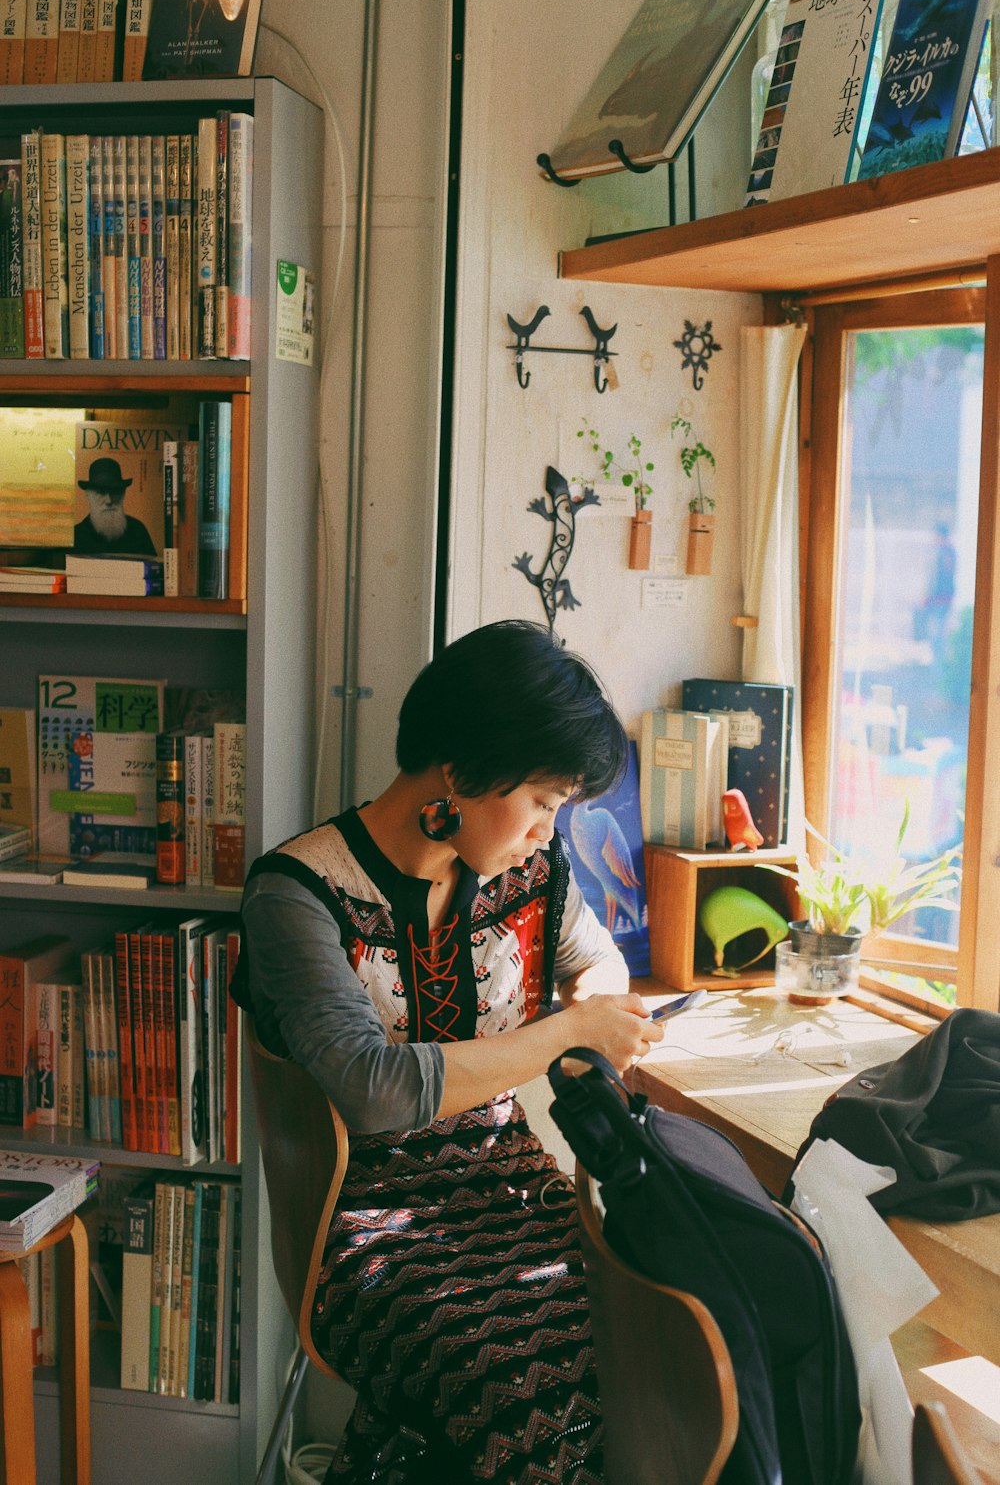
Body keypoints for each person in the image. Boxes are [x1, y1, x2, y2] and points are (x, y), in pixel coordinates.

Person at [233, 619, 663, 1484]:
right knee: (537, 1400)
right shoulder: (297, 893)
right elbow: (372, 1092)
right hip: (363, 1225)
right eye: (543, 803)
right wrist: (568, 1033)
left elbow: (599, 962)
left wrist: (594, 997)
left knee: (661, 1332)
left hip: (512, 1192)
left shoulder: (529, 877)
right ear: (460, 775)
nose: (549, 832)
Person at [74, 458, 157, 555]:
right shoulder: (77, 535)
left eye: (115, 492)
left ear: (123, 493)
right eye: (101, 492)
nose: (109, 501)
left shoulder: (138, 531)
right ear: (88, 494)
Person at [913, 520, 956, 658]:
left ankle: (938, 666)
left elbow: (934, 578)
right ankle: (938, 662)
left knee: (936, 635)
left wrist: (927, 597)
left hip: (938, 599)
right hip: (944, 599)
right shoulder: (950, 552)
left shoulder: (942, 553)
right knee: (938, 633)